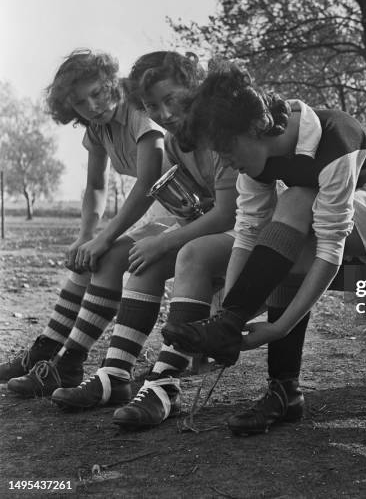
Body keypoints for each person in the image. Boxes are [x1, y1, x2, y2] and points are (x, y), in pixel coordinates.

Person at [159, 59, 366, 435]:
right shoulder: (255, 159)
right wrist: (230, 316)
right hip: (320, 222)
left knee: (297, 198)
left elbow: (332, 247)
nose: (223, 162)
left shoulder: (335, 137)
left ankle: (281, 381)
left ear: (256, 127)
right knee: (283, 239)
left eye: (224, 149)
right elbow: (247, 233)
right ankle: (284, 390)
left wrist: (280, 327)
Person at [46, 52, 238, 427]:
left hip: (253, 228)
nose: (165, 114)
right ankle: (113, 375)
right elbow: (196, 204)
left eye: (172, 101)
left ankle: (164, 383)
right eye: (154, 106)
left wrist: (166, 240)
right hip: (204, 219)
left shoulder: (217, 133)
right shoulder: (179, 141)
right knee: (140, 258)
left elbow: (231, 213)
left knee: (185, 253)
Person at [1, 49, 166, 398]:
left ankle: (69, 363)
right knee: (86, 257)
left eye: (98, 92)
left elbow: (149, 185)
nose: (92, 105)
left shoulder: (138, 113)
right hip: (161, 209)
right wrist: (86, 236)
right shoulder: (98, 127)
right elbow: (95, 185)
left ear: (113, 82)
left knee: (105, 255)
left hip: (182, 205)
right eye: (79, 102)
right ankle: (46, 352)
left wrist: (104, 238)